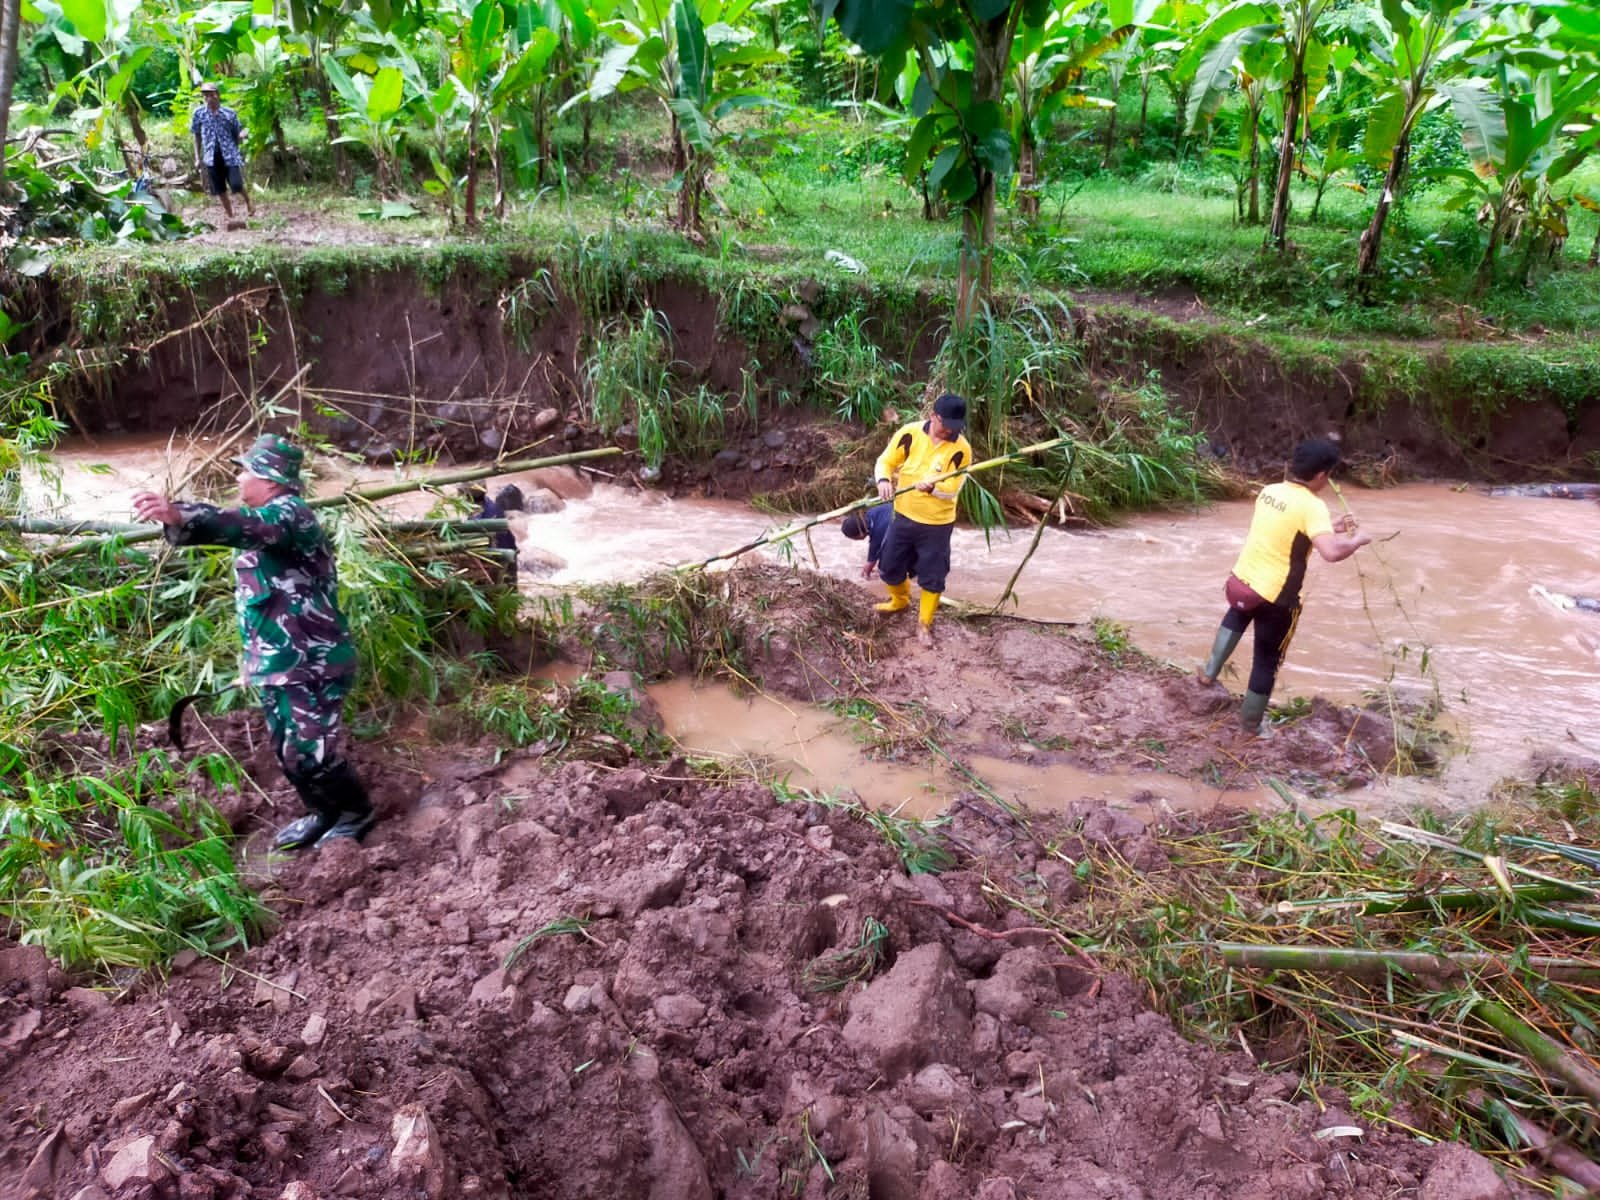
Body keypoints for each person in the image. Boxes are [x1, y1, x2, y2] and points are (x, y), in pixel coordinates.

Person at [132, 435, 374, 851]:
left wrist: (179, 513)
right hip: (279, 662)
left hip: (314, 662)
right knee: (286, 750)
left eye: (245, 470)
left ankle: (355, 813)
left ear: (271, 479)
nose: (240, 477)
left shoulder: (290, 516)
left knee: (311, 751)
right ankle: (323, 814)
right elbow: (260, 607)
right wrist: (254, 662)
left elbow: (241, 524)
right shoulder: (262, 532)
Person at [1199, 437, 1372, 735]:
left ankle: (1208, 673)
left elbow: (1289, 527)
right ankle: (1250, 725)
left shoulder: (1269, 491)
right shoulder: (1312, 506)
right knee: (1266, 660)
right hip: (1277, 599)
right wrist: (1356, 540)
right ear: (1321, 475)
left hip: (1242, 583)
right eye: (1329, 475)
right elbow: (1330, 553)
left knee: (1237, 615)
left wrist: (1332, 526)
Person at [871, 393, 974, 647]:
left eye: (956, 426)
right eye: (946, 424)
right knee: (889, 566)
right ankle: (900, 601)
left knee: (933, 575)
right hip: (904, 515)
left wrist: (933, 489)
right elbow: (885, 460)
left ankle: (924, 624)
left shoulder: (961, 449)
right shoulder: (909, 434)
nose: (951, 430)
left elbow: (953, 489)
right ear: (933, 416)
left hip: (937, 524)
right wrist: (883, 479)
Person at [190, 81, 254, 224]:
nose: (208, 98)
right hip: (211, 156)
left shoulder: (229, 114)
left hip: (229, 154)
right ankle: (231, 216)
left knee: (236, 184)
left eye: (211, 94)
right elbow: (196, 135)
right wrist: (197, 157)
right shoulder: (198, 114)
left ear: (217, 95)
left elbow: (238, 132)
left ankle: (248, 201)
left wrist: (243, 135)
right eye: (205, 95)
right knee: (220, 189)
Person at [840, 502, 892, 580]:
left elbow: (869, 565)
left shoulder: (877, 535)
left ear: (860, 534)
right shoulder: (870, 513)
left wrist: (866, 575)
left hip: (910, 525)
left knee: (884, 568)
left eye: (853, 538)